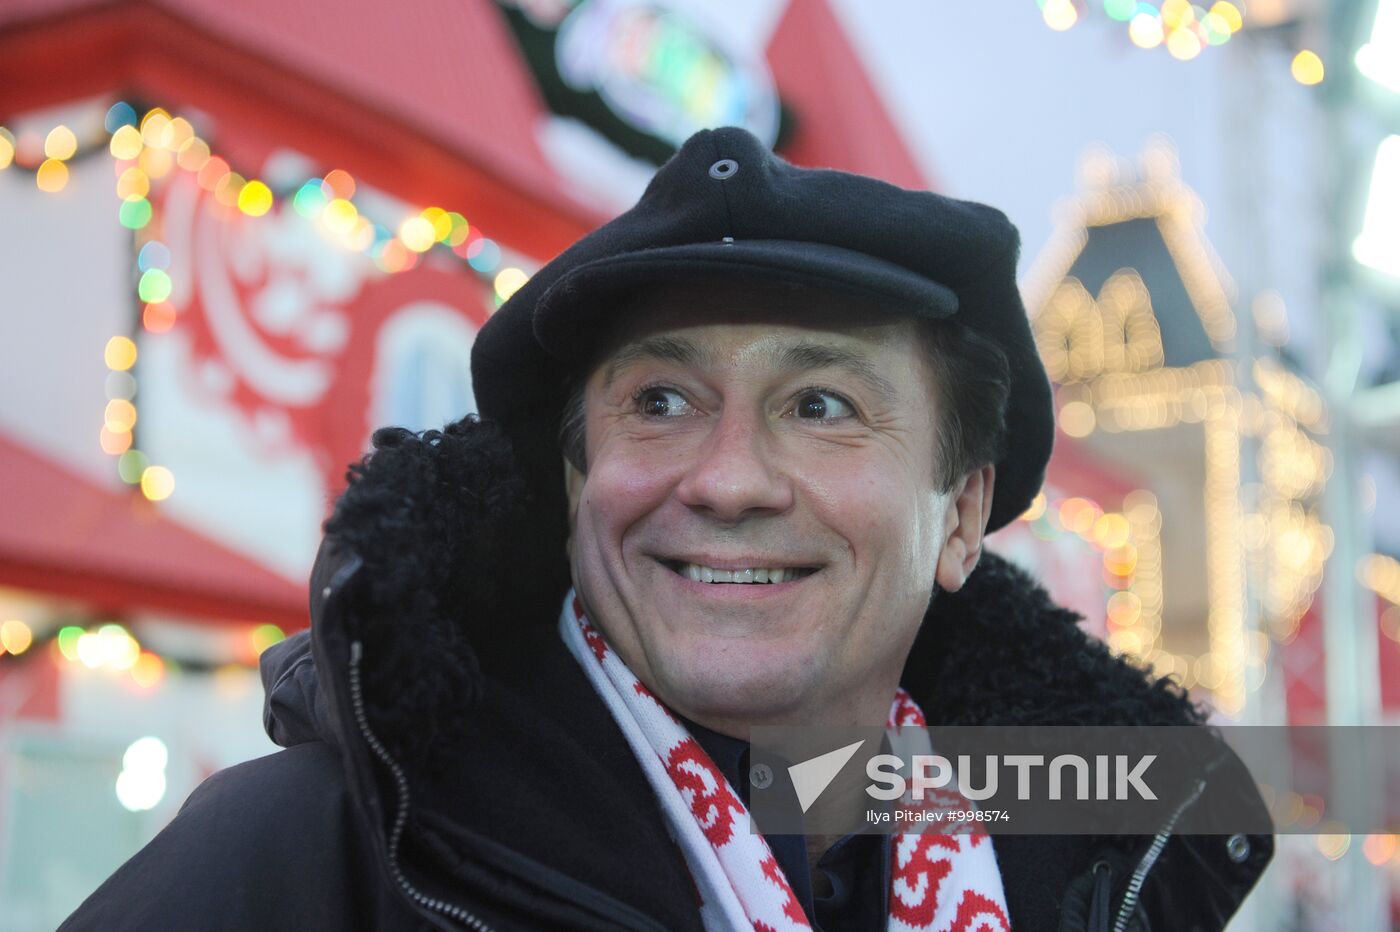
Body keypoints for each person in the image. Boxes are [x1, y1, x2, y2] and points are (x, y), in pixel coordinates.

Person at [62, 127, 1272, 931]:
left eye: (820, 404)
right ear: (578, 479)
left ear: (958, 516)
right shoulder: (311, 860)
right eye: (659, 401)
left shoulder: (1099, 868)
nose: (729, 477)